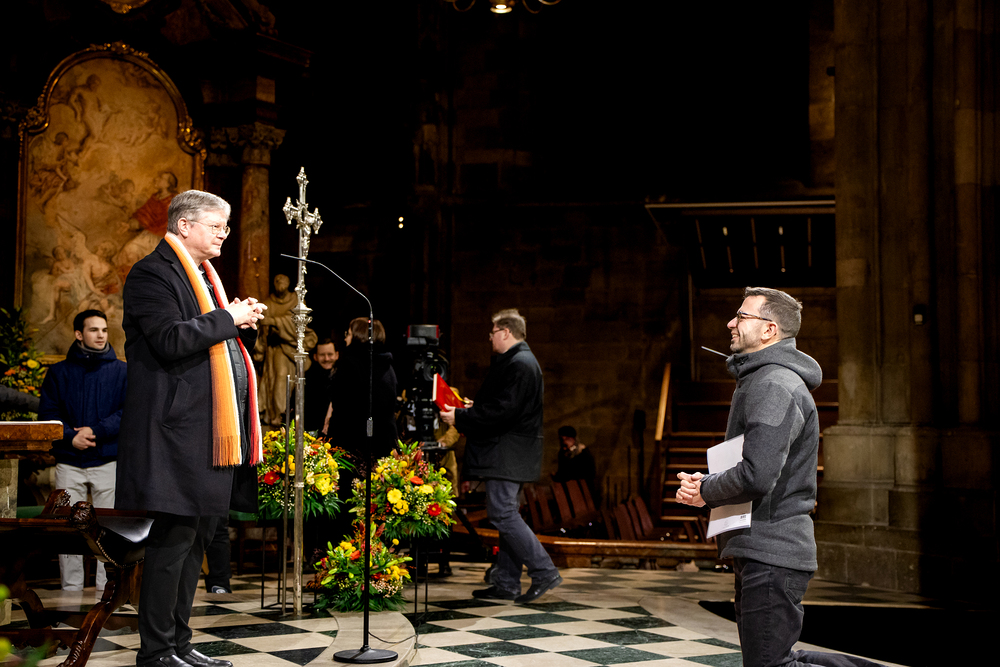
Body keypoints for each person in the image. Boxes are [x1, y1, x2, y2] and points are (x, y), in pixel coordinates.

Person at [676, 287, 883, 667]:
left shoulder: (773, 384)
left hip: (773, 549)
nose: (731, 323)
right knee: (773, 660)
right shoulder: (762, 379)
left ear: (769, 330)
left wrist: (706, 489)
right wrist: (708, 482)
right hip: (761, 547)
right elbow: (756, 463)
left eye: (741, 316)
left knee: (771, 665)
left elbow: (757, 475)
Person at [116, 189, 266, 667]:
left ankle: (180, 644)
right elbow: (168, 339)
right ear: (184, 226)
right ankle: (156, 651)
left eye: (226, 225)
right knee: (172, 543)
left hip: (206, 433)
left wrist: (240, 323)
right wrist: (227, 318)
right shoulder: (152, 273)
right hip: (173, 433)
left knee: (196, 541)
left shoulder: (204, 277)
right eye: (217, 225)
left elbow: (211, 343)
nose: (224, 233)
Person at [441, 308, 561, 603]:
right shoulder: (518, 361)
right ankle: (507, 582)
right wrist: (474, 409)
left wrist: (461, 416)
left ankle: (544, 570)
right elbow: (505, 405)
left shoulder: (520, 363)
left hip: (508, 452)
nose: (490, 337)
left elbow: (504, 412)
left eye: (493, 332)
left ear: (506, 332)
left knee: (502, 513)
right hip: (509, 452)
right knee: (506, 513)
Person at [38, 309, 127, 592]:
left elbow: (128, 412)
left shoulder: (122, 371)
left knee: (107, 528)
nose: (101, 335)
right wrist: (70, 437)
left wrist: (96, 431)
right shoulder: (59, 372)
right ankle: (71, 589)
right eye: (93, 330)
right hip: (69, 460)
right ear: (79, 334)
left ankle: (108, 588)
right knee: (68, 527)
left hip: (107, 458)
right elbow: (47, 414)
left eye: (104, 330)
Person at [253, 274, 317, 426]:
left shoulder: (296, 300)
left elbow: (297, 322)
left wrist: (275, 321)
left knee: (286, 378)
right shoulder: (268, 303)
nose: (280, 283)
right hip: (274, 348)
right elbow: (263, 324)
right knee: (275, 380)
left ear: (288, 283)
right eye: (277, 281)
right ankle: (277, 416)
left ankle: (284, 416)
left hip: (290, 348)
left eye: (283, 280)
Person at [551, 425, 597, 498]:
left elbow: (590, 473)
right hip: (569, 491)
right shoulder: (563, 453)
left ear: (572, 439)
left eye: (565, 439)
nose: (563, 442)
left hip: (582, 492)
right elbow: (562, 471)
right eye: (561, 439)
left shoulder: (583, 453)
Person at [303, 338, 337, 432]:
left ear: (337, 355)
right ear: (315, 357)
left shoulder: (344, 377)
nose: (326, 359)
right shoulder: (307, 378)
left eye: (330, 354)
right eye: (322, 355)